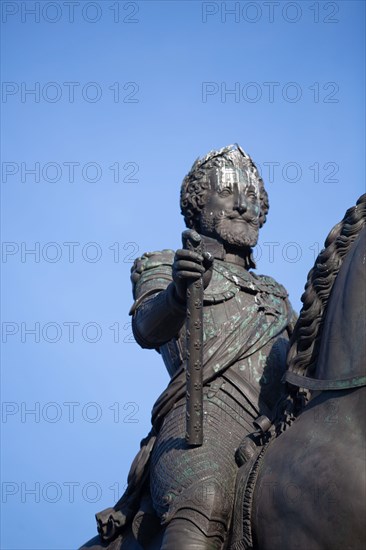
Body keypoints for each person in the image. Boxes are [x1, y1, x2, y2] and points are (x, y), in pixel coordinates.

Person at [88, 144, 296, 550]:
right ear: (198, 206)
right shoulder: (165, 264)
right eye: (228, 193)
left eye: (252, 197)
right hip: (198, 428)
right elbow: (148, 328)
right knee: (204, 498)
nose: (242, 205)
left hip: (270, 431)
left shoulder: (279, 297)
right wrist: (178, 294)